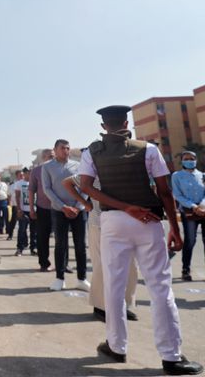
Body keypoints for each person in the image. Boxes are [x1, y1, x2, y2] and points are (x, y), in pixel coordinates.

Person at [79, 105, 202, 375]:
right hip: (148, 221)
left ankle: (116, 346)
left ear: (104, 127)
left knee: (114, 285)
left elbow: (86, 187)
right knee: (160, 287)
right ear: (126, 123)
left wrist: (123, 207)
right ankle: (171, 357)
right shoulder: (148, 149)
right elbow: (164, 191)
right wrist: (174, 228)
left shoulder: (91, 152)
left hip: (113, 222)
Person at [62, 173, 138, 323]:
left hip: (126, 223)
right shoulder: (94, 169)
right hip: (99, 222)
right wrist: (86, 204)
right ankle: (100, 307)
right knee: (102, 266)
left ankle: (124, 304)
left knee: (131, 266)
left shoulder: (128, 166)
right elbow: (67, 182)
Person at [42, 139, 90, 292]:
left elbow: (84, 187)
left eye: (68, 148)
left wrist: (77, 206)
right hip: (59, 210)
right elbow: (47, 189)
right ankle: (59, 278)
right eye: (62, 148)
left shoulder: (78, 165)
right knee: (60, 244)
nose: (66, 150)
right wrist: (63, 207)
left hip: (78, 210)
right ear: (55, 150)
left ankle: (82, 278)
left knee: (80, 245)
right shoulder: (47, 167)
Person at [171, 151, 205, 282]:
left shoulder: (202, 175)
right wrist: (193, 206)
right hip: (189, 211)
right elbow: (177, 195)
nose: (189, 161)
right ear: (182, 161)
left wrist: (202, 205)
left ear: (196, 160)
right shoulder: (177, 176)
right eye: (186, 159)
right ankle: (186, 269)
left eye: (192, 158)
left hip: (203, 210)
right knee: (190, 240)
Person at [30, 149, 55, 271]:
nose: (52, 158)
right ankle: (44, 263)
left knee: (62, 238)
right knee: (42, 237)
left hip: (59, 208)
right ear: (44, 157)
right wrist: (31, 209)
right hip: (42, 208)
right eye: (50, 156)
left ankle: (63, 264)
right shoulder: (36, 171)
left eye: (53, 156)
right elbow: (31, 190)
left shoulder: (59, 168)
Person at [14, 168, 37, 257]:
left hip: (34, 209)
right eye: (29, 173)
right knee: (22, 230)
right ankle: (20, 248)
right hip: (23, 210)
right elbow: (17, 197)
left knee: (34, 230)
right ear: (25, 174)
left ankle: (33, 248)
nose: (31, 175)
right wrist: (19, 209)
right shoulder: (19, 183)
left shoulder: (36, 182)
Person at [7, 170, 21, 240]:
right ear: (16, 176)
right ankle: (10, 235)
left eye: (22, 175)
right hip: (15, 206)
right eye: (20, 175)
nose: (22, 176)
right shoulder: (12, 185)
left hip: (23, 206)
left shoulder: (26, 184)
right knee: (13, 222)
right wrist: (9, 204)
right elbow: (9, 195)